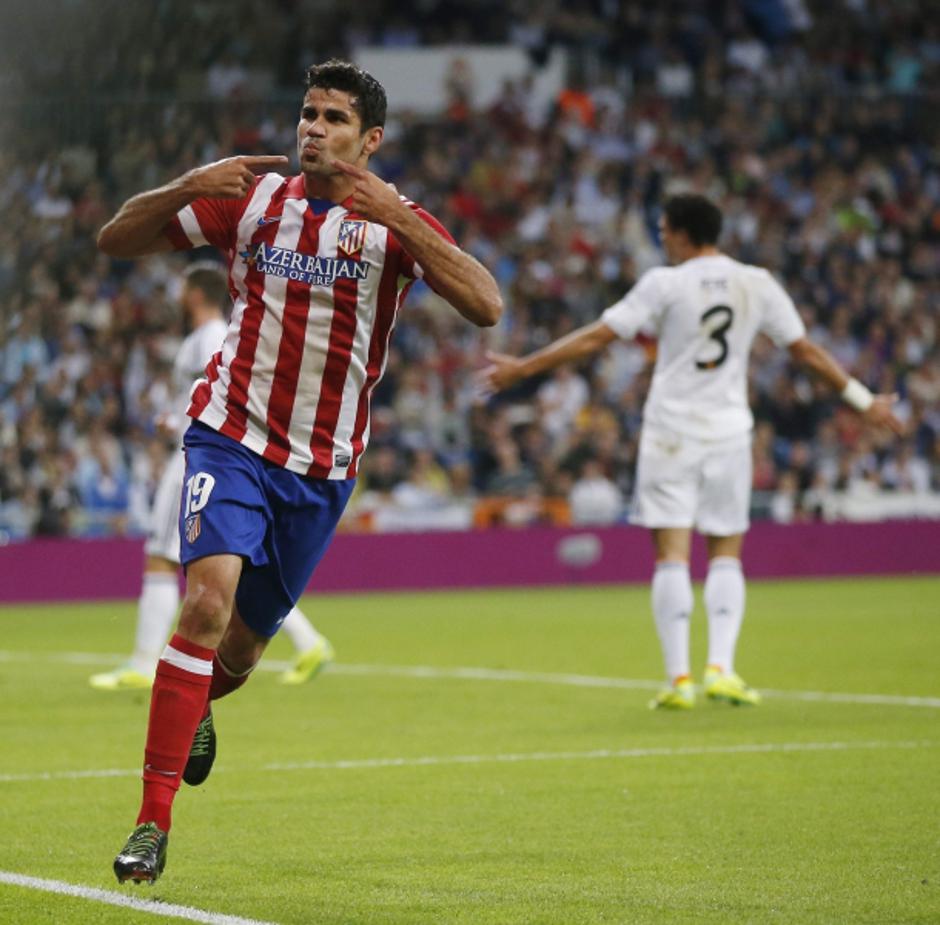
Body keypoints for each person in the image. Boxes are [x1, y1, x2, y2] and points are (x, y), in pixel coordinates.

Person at [97, 59, 502, 883]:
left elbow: (486, 303)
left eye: (334, 118)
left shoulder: (391, 222)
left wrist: (402, 217)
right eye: (308, 113)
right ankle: (151, 822)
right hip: (230, 435)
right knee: (204, 602)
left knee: (241, 649)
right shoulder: (250, 201)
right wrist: (187, 185)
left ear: (371, 139)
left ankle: (195, 704)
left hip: (321, 470)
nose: (313, 128)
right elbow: (115, 240)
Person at [480, 193, 902, 711]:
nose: (662, 240)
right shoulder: (756, 282)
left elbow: (599, 338)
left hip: (671, 432)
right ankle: (721, 668)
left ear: (682, 234)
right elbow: (806, 352)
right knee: (726, 552)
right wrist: (862, 400)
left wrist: (524, 367)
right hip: (729, 432)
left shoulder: (665, 283)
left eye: (664, 231)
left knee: (671, 555)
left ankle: (679, 679)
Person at [88, 263, 334, 693]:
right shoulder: (205, 336)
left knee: (164, 557)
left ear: (196, 293)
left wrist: (181, 424)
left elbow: (222, 396)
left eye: (183, 287)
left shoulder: (214, 335)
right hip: (202, 449)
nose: (177, 295)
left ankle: (143, 663)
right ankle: (308, 641)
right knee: (222, 571)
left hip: (200, 455)